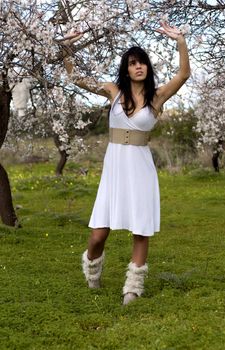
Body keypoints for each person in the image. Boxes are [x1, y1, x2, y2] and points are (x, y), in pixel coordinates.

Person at [62, 21, 190, 305]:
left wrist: (180, 41)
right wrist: (67, 47)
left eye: (142, 62)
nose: (139, 67)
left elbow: (183, 74)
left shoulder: (158, 96)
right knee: (98, 234)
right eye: (133, 63)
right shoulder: (113, 90)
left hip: (141, 169)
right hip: (115, 170)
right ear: (127, 68)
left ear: (147, 67)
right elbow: (76, 79)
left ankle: (132, 288)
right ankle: (93, 271)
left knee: (140, 229)